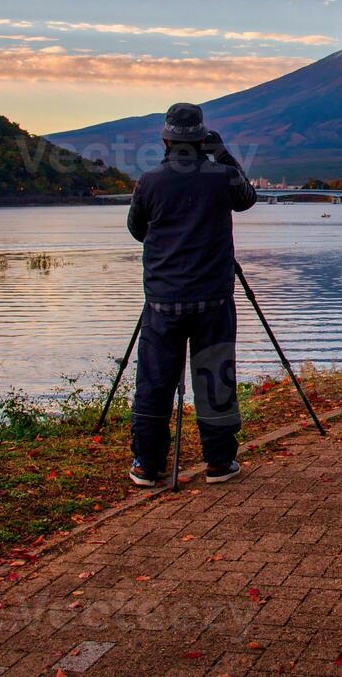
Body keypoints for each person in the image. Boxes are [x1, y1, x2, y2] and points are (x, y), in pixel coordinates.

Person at [125, 103, 257, 487]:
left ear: (166, 139)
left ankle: (147, 465)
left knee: (154, 381)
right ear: (201, 138)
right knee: (215, 377)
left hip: (163, 301)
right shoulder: (221, 176)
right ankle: (219, 462)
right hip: (213, 300)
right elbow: (247, 197)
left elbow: (137, 229)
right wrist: (223, 153)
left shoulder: (149, 182)